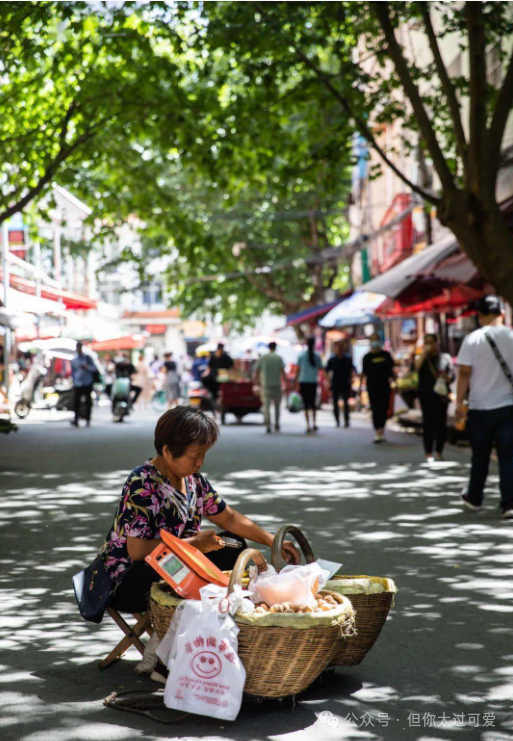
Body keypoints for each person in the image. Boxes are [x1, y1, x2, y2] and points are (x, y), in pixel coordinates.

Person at [101, 407, 301, 613]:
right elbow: (138, 551)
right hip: (130, 581)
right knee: (191, 570)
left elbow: (229, 519)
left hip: (178, 565)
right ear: (168, 452)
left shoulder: (193, 481)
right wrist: (194, 544)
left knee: (234, 545)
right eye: (194, 456)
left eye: (203, 454)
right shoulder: (142, 483)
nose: (200, 462)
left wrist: (272, 541)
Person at [456, 295, 513, 519]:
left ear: (480, 315)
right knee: (508, 455)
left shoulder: (473, 339)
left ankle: (475, 497)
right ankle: (509, 503)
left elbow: (464, 373)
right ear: (500, 313)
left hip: (480, 407)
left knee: (480, 455)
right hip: (508, 406)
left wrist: (458, 403)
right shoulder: (511, 336)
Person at [414, 334, 454, 462]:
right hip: (426, 395)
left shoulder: (445, 358)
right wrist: (423, 353)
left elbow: (452, 376)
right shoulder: (422, 358)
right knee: (428, 424)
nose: (429, 345)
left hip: (441, 395)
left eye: (431, 342)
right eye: (426, 343)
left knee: (441, 424)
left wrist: (446, 377)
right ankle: (428, 452)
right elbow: (415, 367)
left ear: (437, 343)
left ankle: (439, 451)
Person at [361, 333, 395, 443]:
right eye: (373, 340)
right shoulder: (367, 357)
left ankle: (382, 430)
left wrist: (395, 383)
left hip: (385, 386)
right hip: (372, 386)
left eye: (376, 339)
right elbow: (364, 373)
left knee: (384, 408)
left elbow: (391, 371)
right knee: (375, 408)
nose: (375, 342)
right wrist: (360, 389)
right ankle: (378, 431)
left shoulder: (386, 355)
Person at [255, 342, 286, 433]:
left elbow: (257, 370)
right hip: (277, 385)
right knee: (277, 406)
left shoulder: (263, 358)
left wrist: (256, 382)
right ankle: (276, 423)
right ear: (275, 347)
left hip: (266, 385)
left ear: (269, 347)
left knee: (266, 406)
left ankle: (268, 425)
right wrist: (286, 383)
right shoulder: (279, 358)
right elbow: (282, 372)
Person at [295, 337, 323, 433]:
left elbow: (298, 370)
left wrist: (295, 381)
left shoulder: (301, 355)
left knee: (306, 404)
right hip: (313, 382)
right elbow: (321, 368)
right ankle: (314, 423)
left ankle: (308, 425)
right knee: (313, 404)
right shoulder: (317, 356)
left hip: (303, 382)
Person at [326, 339, 356, 428]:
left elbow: (352, 370)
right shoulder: (332, 359)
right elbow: (326, 370)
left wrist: (351, 380)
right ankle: (337, 420)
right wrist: (328, 381)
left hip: (345, 383)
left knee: (345, 403)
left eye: (341, 348)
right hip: (335, 383)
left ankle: (346, 420)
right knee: (335, 403)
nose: (340, 349)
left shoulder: (347, 359)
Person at [70, 341, 96, 427]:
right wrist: (74, 381)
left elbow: (94, 369)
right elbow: (73, 372)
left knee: (88, 402)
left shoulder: (88, 358)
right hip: (78, 383)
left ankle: (88, 419)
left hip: (87, 382)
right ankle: (76, 419)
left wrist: (87, 367)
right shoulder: (74, 360)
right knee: (76, 402)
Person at [204, 343, 234, 408]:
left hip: (224, 376)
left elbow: (232, 367)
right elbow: (209, 368)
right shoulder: (213, 358)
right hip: (214, 376)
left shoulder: (227, 358)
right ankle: (213, 393)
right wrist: (205, 374)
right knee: (206, 380)